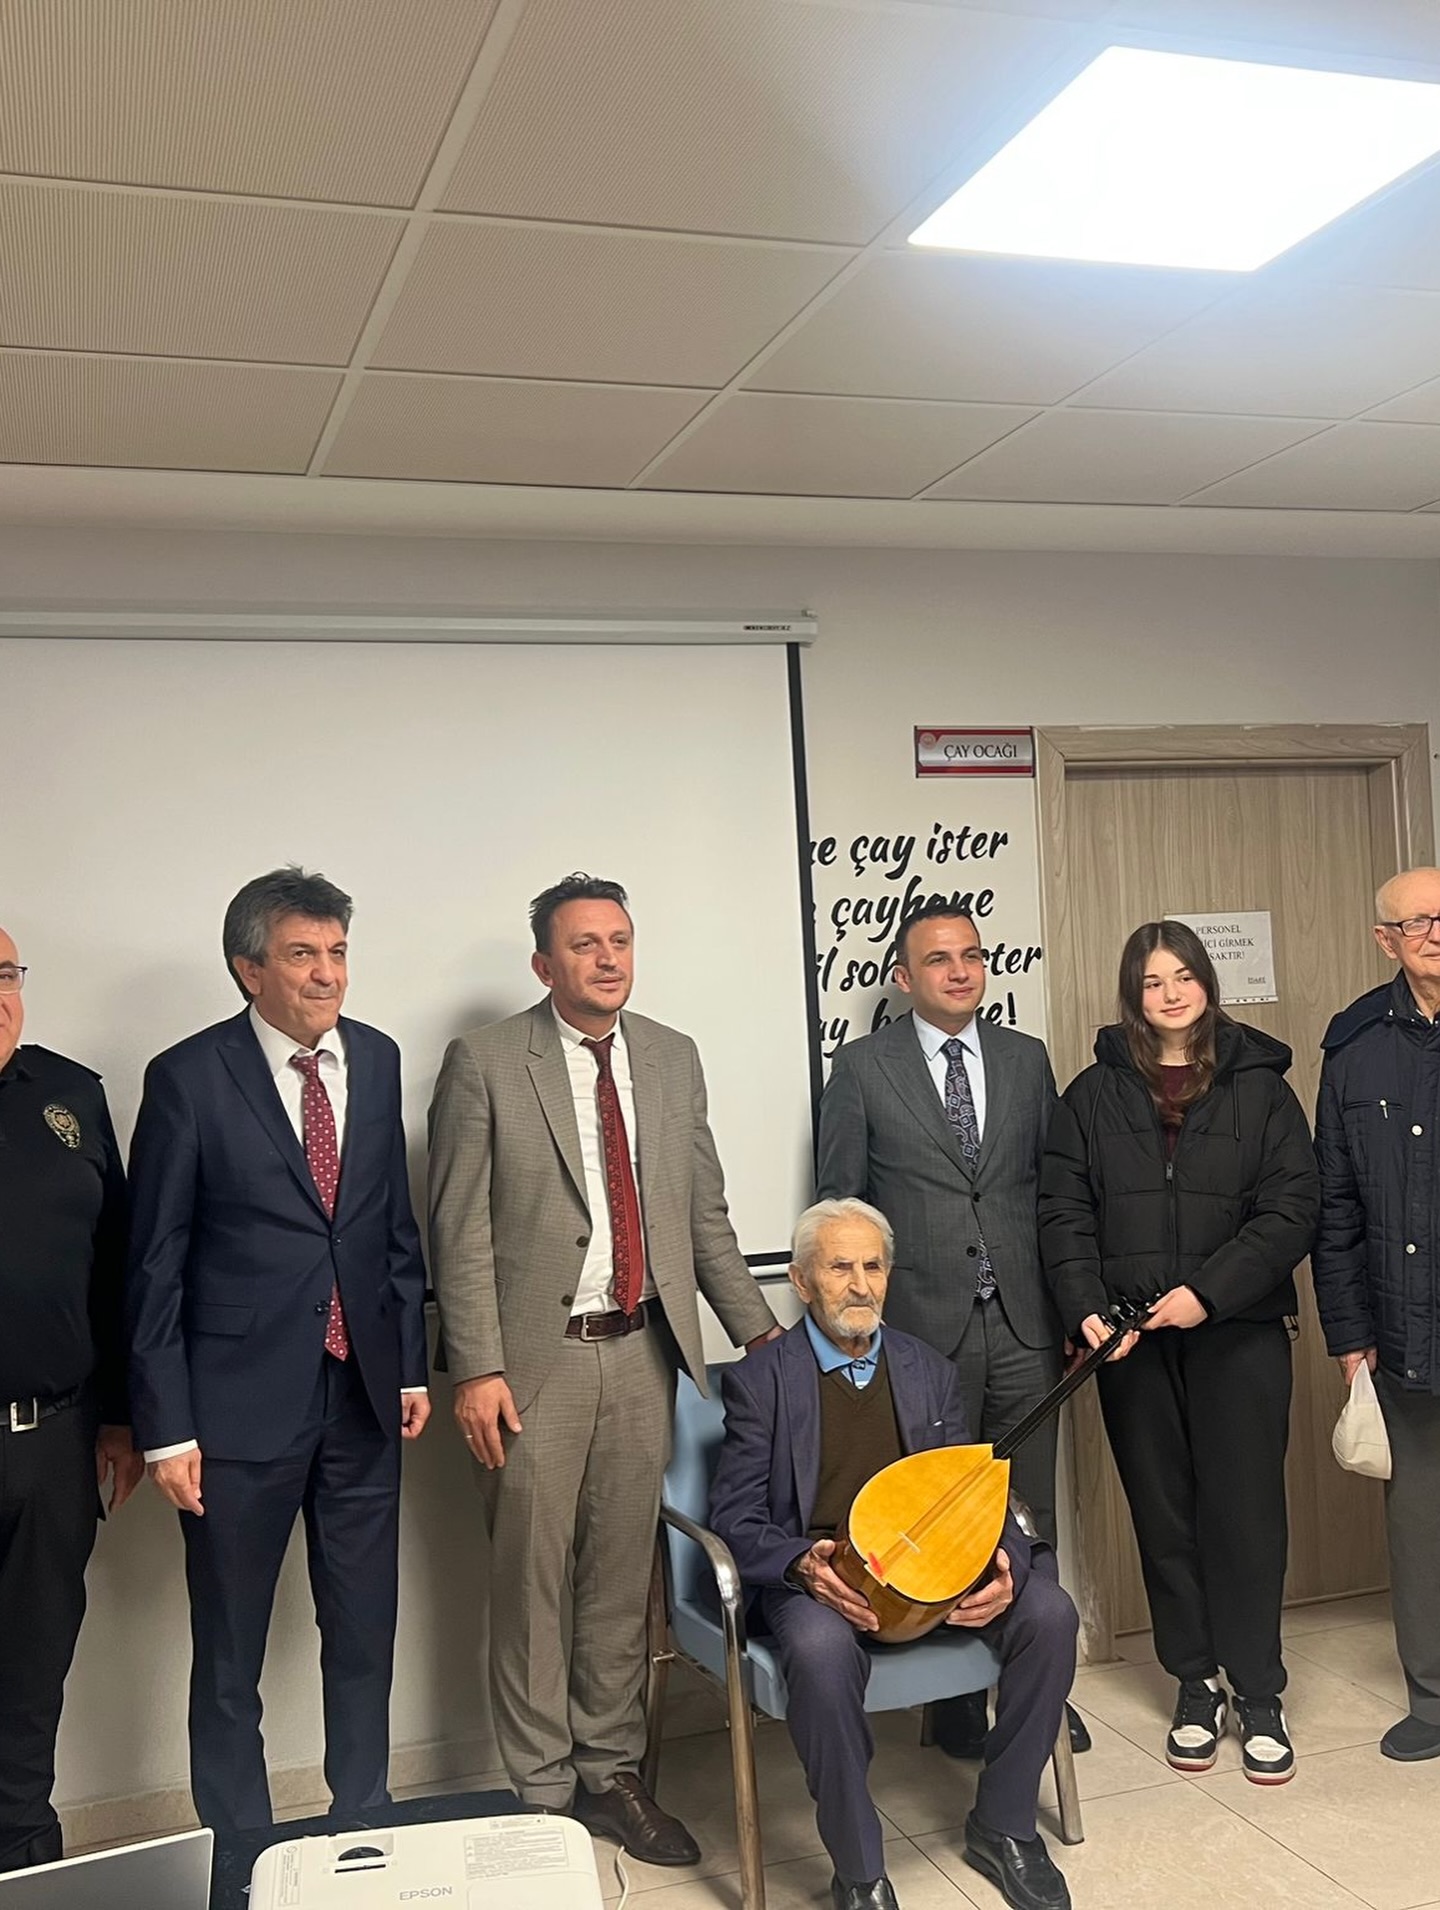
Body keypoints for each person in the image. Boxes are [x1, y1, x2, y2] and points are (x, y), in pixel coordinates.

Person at [427, 873, 779, 1865]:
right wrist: (477, 1368)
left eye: (619, 939)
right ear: (545, 964)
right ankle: (542, 1796)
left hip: (642, 1354)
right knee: (531, 1581)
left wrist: (764, 1338)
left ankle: (611, 1773)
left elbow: (702, 1216)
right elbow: (458, 1228)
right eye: (584, 944)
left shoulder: (671, 1057)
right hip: (531, 1368)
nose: (607, 958)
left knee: (621, 1581)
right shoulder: (486, 1062)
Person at [125, 868, 429, 1832]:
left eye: (337, 952)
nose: (328, 973)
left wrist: (409, 1363)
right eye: (303, 955)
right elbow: (153, 1264)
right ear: (248, 969)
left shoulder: (376, 1058)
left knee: (364, 1635)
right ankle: (242, 1854)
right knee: (230, 1656)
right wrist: (165, 1428)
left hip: (362, 1400)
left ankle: (364, 1826)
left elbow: (392, 1229)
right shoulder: (187, 1077)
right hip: (233, 1413)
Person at [711, 1199, 1077, 1910]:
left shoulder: (927, 1368)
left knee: (1050, 1613)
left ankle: (1003, 1825)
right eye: (839, 1267)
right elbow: (735, 1516)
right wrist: (803, 1565)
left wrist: (1007, 1564)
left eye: (873, 1267)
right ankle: (859, 1871)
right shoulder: (761, 1381)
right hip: (825, 1580)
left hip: (936, 1569)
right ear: (801, 1281)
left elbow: (973, 1487)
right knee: (818, 1653)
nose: (860, 1285)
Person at [1039, 920, 1318, 1784]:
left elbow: (1293, 1210)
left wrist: (1207, 1293)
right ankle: (1195, 1683)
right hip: (1130, 1344)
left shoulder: (1263, 1088)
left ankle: (1259, 1691)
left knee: (1246, 1519)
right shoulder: (1091, 1094)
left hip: (1238, 1335)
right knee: (1164, 1519)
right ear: (1134, 993)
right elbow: (1062, 1212)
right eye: (1153, 981)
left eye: (1183, 977)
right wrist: (1086, 1308)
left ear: (1206, 984)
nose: (1170, 994)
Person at [816, 901, 1080, 1759]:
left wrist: (1071, 1303)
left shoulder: (1025, 1058)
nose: (960, 971)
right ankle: (957, 1702)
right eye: (938, 959)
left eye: (971, 955)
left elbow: (1056, 1194)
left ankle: (1037, 1684)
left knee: (1029, 1512)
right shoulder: (863, 1068)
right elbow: (841, 1209)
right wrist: (858, 1332)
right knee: (939, 1520)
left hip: (1026, 1324)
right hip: (921, 1336)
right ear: (904, 977)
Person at [0, 927, 143, 1871]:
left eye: (4, 974)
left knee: (31, 1675)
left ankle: (23, 1861)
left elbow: (117, 1265)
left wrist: (122, 1416)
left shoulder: (69, 1094)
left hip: (50, 1441)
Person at [1313, 867, 1440, 1763]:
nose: (1437, 933)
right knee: (1420, 1522)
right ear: (1385, 940)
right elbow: (1336, 1206)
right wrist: (1351, 1335)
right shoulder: (1355, 1043)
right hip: (1404, 1330)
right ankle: (1434, 1698)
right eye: (1418, 921)